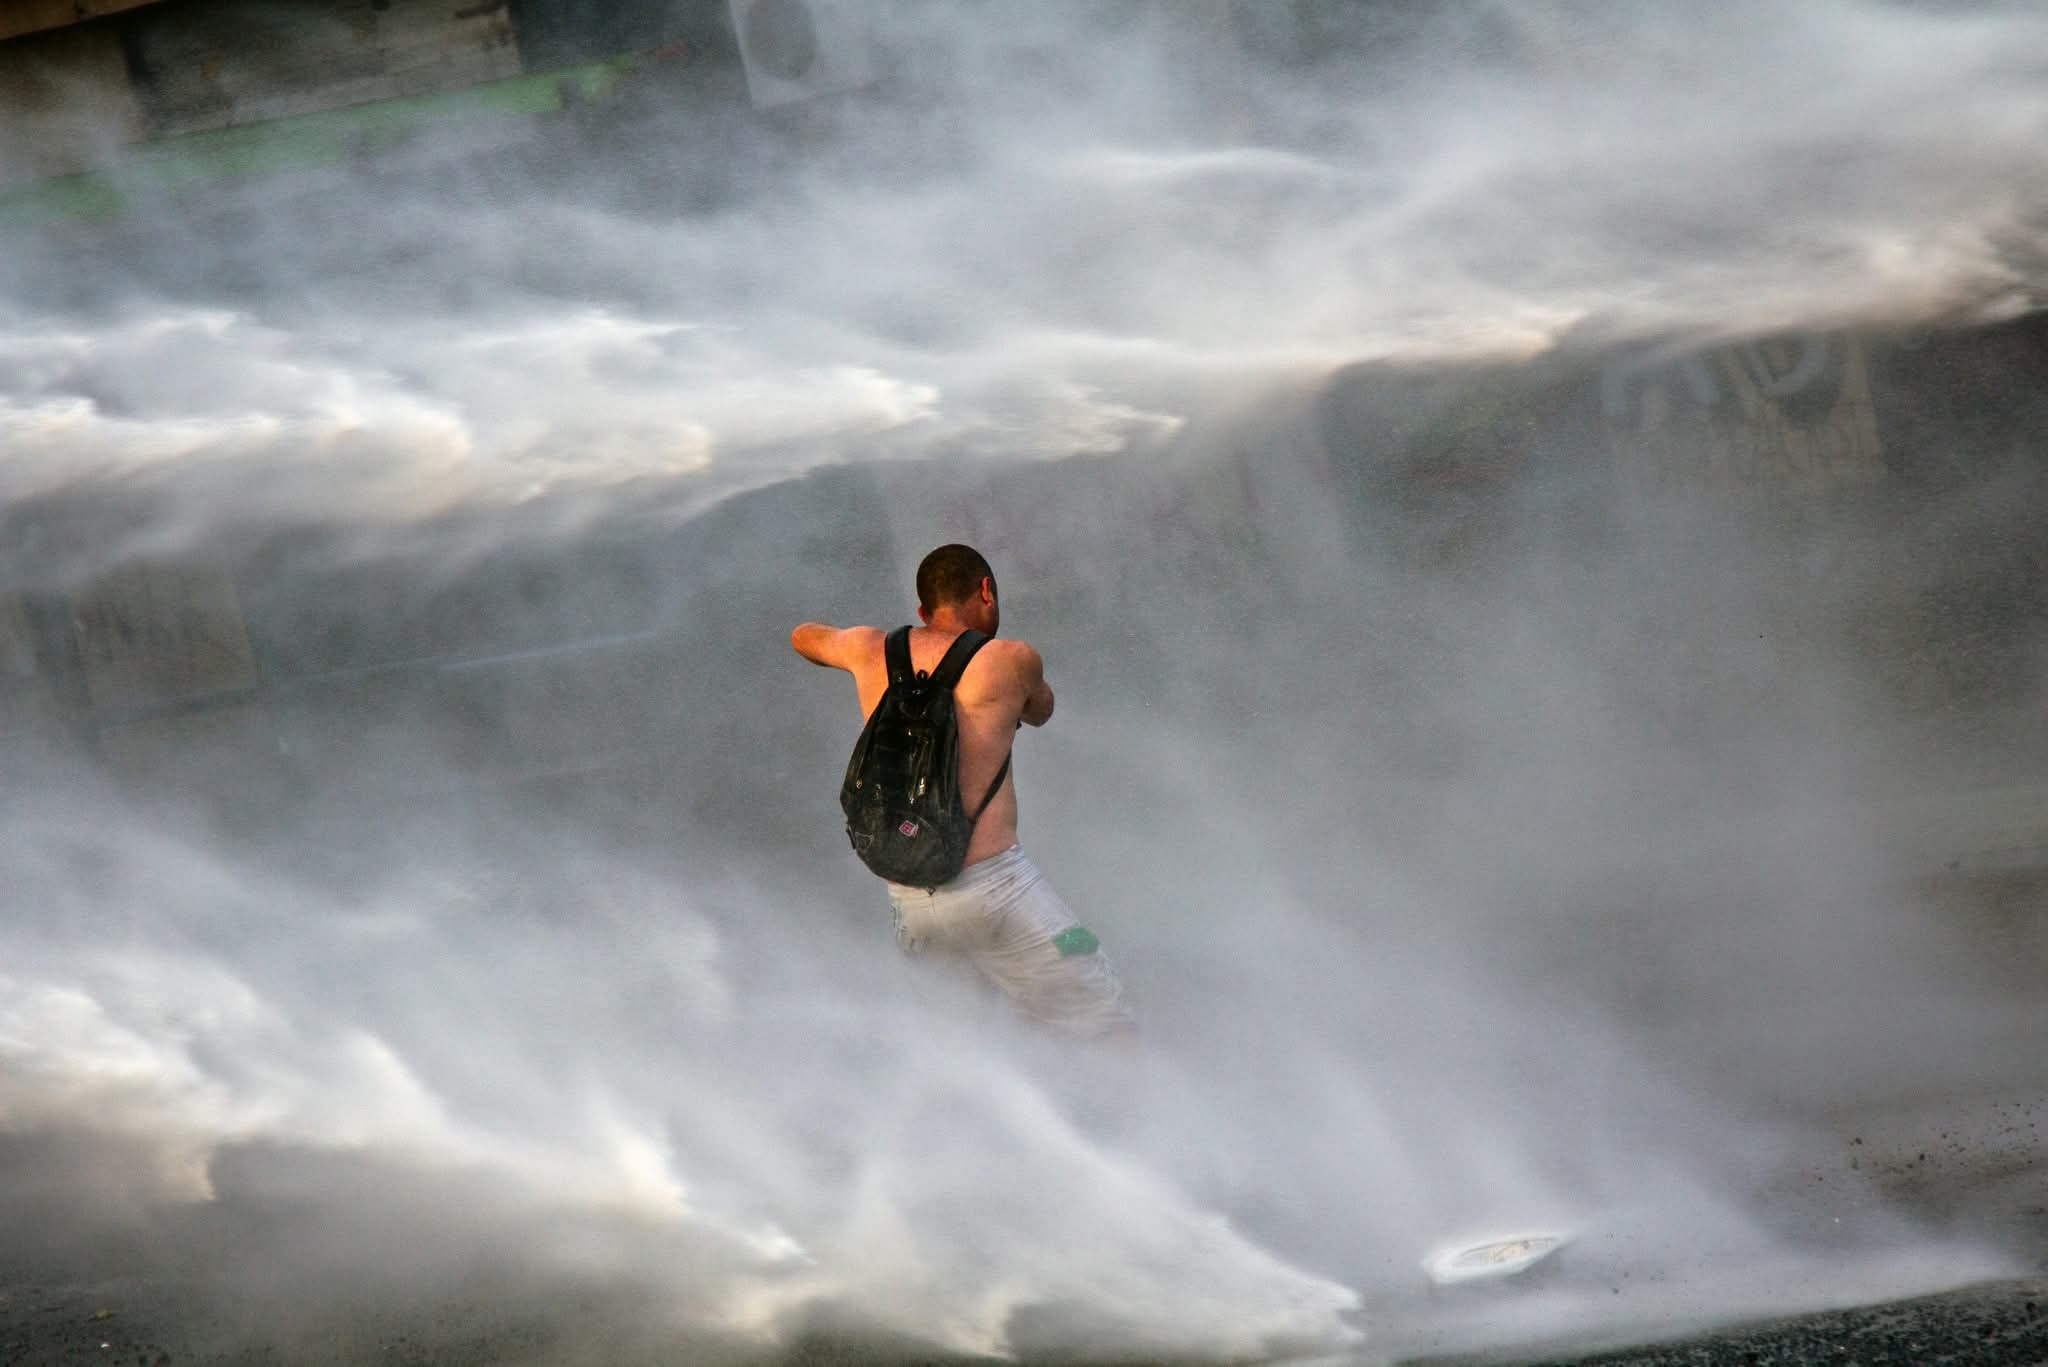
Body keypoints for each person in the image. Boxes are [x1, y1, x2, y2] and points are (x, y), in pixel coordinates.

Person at [791, 543, 1136, 1040]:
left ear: (923, 611)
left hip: (911, 901)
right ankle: (1143, 1116)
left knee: (967, 1045)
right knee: (1107, 1026)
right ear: (986, 592)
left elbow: (803, 636)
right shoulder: (1011, 659)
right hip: (996, 889)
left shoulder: (869, 649)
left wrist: (855, 651)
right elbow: (1041, 710)